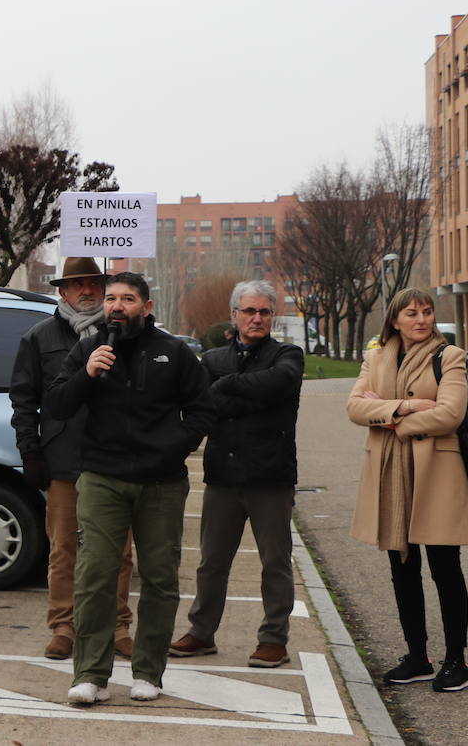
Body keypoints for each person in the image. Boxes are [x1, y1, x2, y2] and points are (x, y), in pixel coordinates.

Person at [45, 272, 215, 706]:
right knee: (94, 575)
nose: (117, 306)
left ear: (146, 306)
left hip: (161, 482)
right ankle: (91, 675)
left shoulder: (173, 352)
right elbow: (58, 404)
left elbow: (203, 409)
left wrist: (173, 447)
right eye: (112, 299)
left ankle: (148, 672)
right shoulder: (90, 347)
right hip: (102, 477)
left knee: (159, 577)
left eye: (128, 299)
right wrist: (87, 373)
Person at [170, 279, 303, 669]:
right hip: (223, 477)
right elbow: (205, 406)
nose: (257, 318)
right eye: (249, 311)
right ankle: (201, 632)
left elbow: (278, 384)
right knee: (212, 562)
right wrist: (248, 397)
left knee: (275, 563)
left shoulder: (288, 355)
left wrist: (229, 388)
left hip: (271, 477)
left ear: (272, 315)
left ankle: (273, 639)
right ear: (234, 315)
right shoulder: (211, 360)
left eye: (264, 311)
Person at [347, 288, 468, 692]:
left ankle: (457, 662)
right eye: (412, 313)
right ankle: (417, 656)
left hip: (437, 474)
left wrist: (389, 415)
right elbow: (354, 407)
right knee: (403, 569)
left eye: (427, 312)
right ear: (395, 319)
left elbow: (451, 414)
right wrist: (408, 406)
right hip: (391, 477)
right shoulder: (376, 356)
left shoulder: (448, 356)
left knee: (445, 569)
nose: (421, 320)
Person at [10, 257, 134, 661]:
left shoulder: (126, 335)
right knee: (64, 549)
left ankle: (117, 626)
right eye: (77, 284)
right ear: (62, 291)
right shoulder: (38, 337)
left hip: (115, 458)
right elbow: (24, 401)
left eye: (93, 283)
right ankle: (63, 626)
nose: (86, 291)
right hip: (63, 459)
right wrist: (30, 450)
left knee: (118, 551)